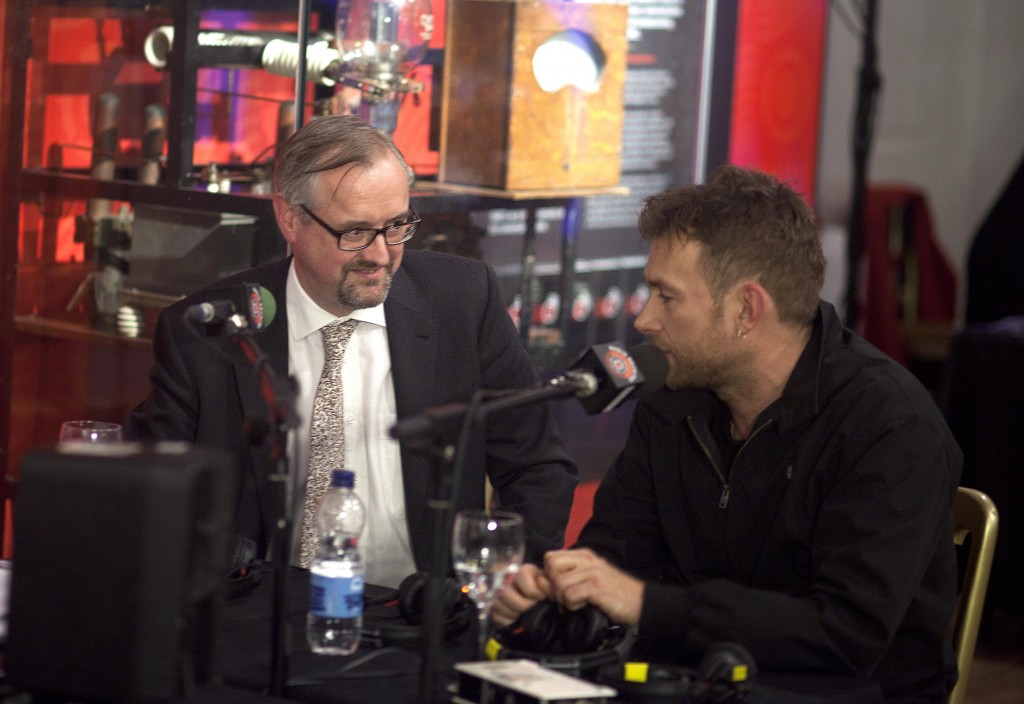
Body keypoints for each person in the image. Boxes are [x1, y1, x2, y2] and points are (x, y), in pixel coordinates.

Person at [493, 165, 961, 703]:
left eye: (666, 297)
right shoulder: (672, 402)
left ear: (746, 309)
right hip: (686, 684)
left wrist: (644, 603)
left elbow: (844, 634)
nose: (644, 320)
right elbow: (615, 560)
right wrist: (557, 597)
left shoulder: (889, 424)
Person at [125, 114, 577, 587]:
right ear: (289, 218)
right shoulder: (210, 329)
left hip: (422, 613)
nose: (381, 255)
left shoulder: (463, 300)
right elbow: (148, 488)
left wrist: (504, 582)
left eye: (398, 226)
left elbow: (538, 466)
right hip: (262, 611)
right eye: (355, 232)